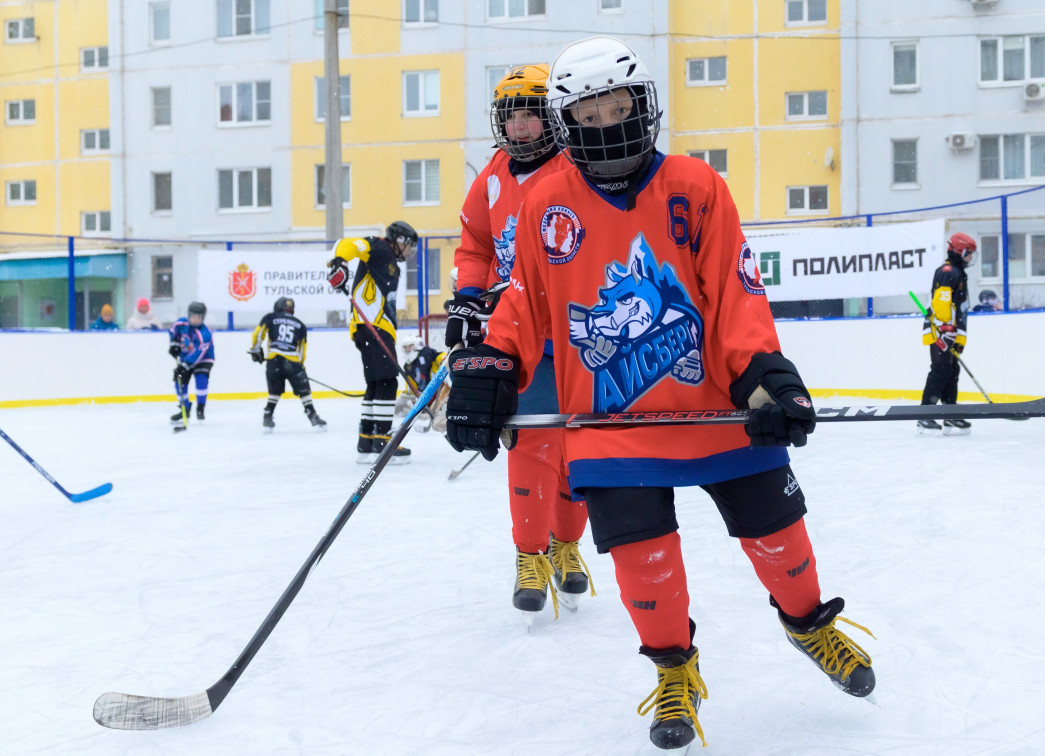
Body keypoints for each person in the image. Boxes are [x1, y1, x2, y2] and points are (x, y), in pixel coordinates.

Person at [444, 36, 874, 750]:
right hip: (609, 422)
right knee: (645, 560)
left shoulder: (696, 186)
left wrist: (761, 370)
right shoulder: (545, 199)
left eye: (618, 104)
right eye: (588, 111)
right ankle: (674, 673)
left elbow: (733, 290)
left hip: (714, 409)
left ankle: (810, 626)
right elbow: (525, 300)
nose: (607, 122)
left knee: (779, 540)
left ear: (643, 106)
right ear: (566, 123)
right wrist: (492, 366)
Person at [444, 62, 593, 617]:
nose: (522, 126)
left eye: (531, 113)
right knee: (533, 442)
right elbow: (476, 247)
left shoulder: (579, 166)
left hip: (579, 334)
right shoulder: (492, 176)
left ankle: (567, 545)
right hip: (519, 331)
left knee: (577, 448)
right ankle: (529, 555)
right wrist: (467, 296)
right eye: (512, 115)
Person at [326, 221, 418, 463]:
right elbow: (347, 244)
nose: (410, 251)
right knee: (387, 380)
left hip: (370, 327)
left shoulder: (390, 263)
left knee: (376, 382)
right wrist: (339, 263)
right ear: (399, 240)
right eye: (409, 246)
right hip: (372, 325)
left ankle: (366, 441)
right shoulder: (380, 248)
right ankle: (384, 441)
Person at [917, 233, 976, 436]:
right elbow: (941, 304)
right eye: (969, 254)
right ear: (960, 251)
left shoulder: (958, 272)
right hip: (941, 333)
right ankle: (925, 417)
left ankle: (950, 413)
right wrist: (946, 331)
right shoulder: (948, 271)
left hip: (952, 333)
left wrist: (958, 336)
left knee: (952, 371)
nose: (970, 258)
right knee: (940, 371)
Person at [248, 296, 327, 433]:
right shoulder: (300, 324)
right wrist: (300, 365)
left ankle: (268, 415)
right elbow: (302, 349)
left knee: (274, 392)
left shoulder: (270, 317)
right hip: (293, 362)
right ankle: (312, 415)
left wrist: (256, 350)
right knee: (304, 391)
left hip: (274, 360)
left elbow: (257, 334)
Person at [168, 301, 214, 430]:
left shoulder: (205, 333)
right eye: (193, 316)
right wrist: (174, 344)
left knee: (201, 379)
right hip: (185, 358)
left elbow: (199, 352)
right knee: (179, 380)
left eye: (199, 317)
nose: (195, 320)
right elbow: (172, 332)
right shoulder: (180, 324)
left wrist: (186, 364)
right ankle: (185, 407)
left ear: (203, 318)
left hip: (204, 358)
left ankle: (200, 408)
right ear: (189, 315)